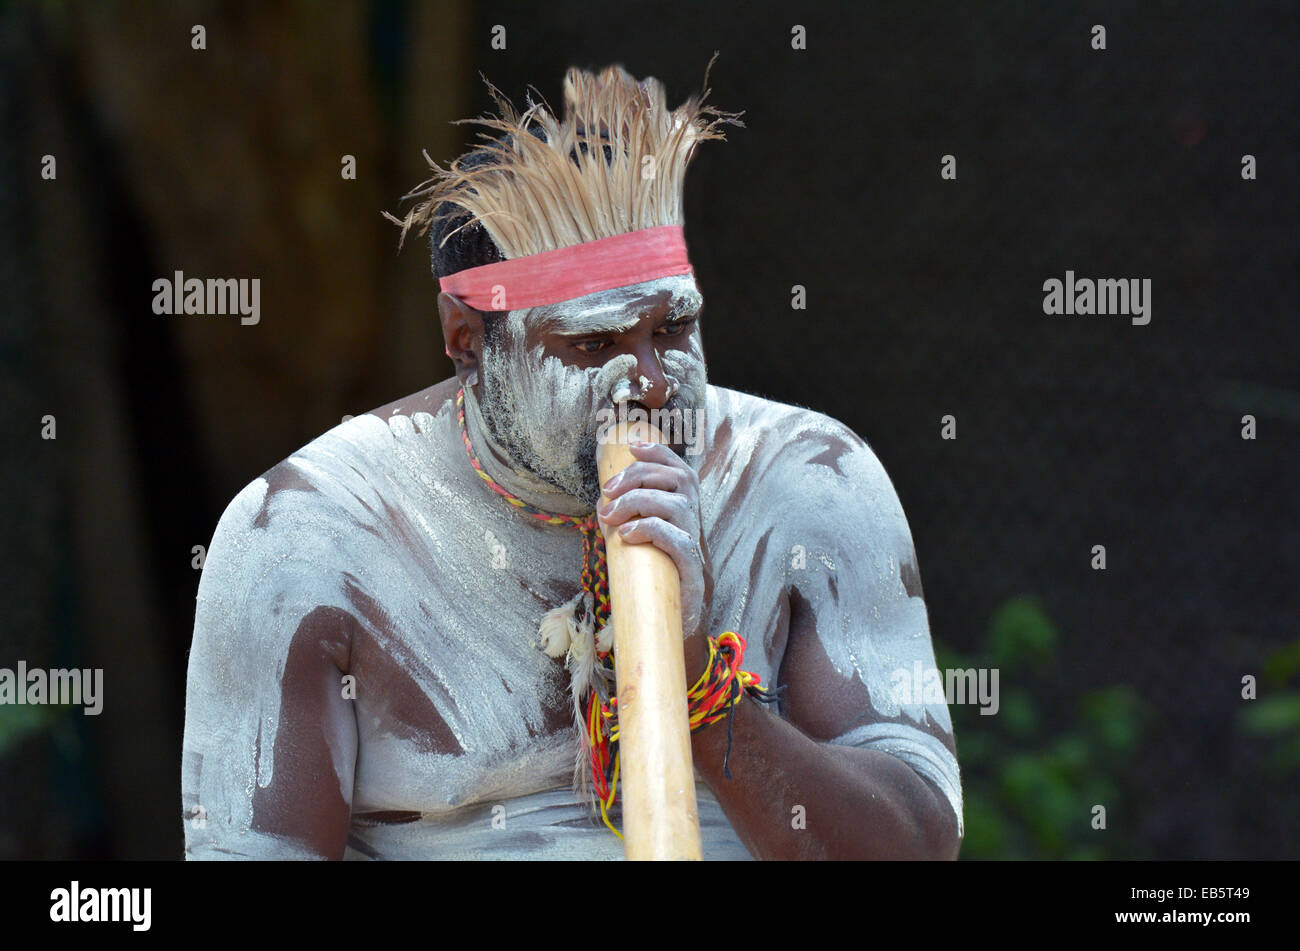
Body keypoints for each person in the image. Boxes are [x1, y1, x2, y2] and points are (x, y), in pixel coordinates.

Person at [181, 59, 962, 860]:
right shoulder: (310, 534)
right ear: (465, 341)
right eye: (594, 344)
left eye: (673, 329)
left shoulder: (810, 481)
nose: (652, 383)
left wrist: (704, 690)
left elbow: (916, 847)